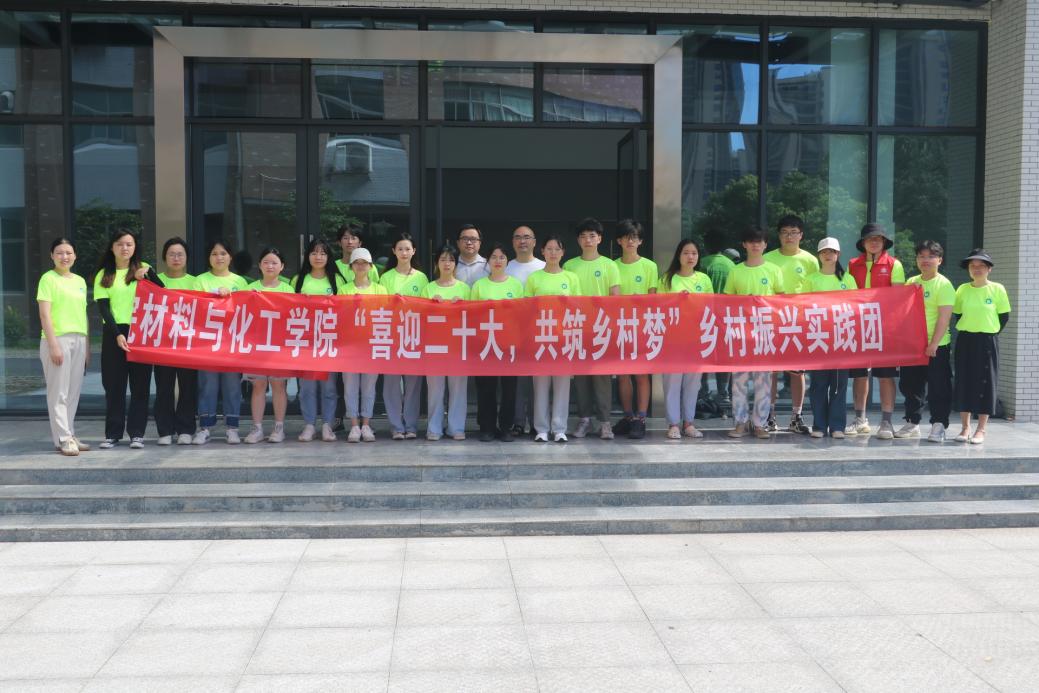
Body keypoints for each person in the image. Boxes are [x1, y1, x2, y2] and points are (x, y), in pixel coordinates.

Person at [94, 228, 157, 449]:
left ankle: (137, 433)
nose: (125, 248)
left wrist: (149, 275)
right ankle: (113, 433)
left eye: (129, 244)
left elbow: (162, 293)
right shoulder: (104, 274)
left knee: (140, 386)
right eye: (120, 244)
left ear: (135, 247)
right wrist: (118, 334)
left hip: (141, 332)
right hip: (114, 333)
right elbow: (104, 308)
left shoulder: (143, 268)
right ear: (112, 247)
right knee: (114, 386)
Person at [847, 223, 906, 439]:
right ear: (863, 243)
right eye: (870, 239)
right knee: (859, 375)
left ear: (884, 242)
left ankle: (886, 422)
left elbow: (897, 297)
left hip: (885, 327)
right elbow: (847, 294)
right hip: (859, 326)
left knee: (885, 375)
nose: (874, 242)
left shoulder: (894, 264)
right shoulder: (852, 264)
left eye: (878, 239)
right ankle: (860, 419)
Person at [724, 226, 784, 439]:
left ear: (765, 245)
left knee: (763, 381)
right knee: (739, 380)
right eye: (751, 241)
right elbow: (727, 301)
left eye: (759, 241)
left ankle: (759, 423)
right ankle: (740, 422)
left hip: (765, 331)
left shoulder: (774, 270)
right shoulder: (735, 270)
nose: (755, 245)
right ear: (744, 245)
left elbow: (781, 301)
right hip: (741, 331)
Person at [564, 217, 620, 440]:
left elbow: (615, 298)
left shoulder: (609, 265)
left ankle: (605, 422)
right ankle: (584, 420)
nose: (588, 239)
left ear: (600, 239)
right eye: (583, 236)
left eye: (592, 235)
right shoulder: (569, 265)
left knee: (602, 377)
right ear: (578, 240)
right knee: (580, 377)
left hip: (601, 329)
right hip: (577, 328)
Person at [894, 240, 955, 443]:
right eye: (921, 256)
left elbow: (944, 318)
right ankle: (912, 422)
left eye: (930, 256)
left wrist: (933, 344)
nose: (925, 260)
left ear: (940, 260)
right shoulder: (911, 282)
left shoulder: (944, 284)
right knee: (910, 385)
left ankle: (939, 425)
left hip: (936, 346)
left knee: (939, 387)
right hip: (912, 345)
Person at [763, 215, 818, 435]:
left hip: (798, 321)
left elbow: (816, 290)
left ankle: (796, 416)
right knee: (771, 371)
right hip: (772, 320)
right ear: (779, 235)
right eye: (785, 232)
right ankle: (769, 415)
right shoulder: (767, 258)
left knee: (797, 371)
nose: (789, 236)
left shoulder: (810, 260)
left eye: (794, 232)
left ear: (801, 235)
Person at [193, 238, 249, 445]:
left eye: (223, 253)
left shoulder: (240, 282)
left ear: (230, 257)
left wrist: (230, 296)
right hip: (207, 343)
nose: (219, 257)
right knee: (207, 385)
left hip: (231, 343)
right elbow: (196, 307)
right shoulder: (200, 280)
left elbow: (246, 310)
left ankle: (232, 428)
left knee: (232, 385)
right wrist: (216, 296)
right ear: (208, 258)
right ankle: (205, 427)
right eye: (214, 254)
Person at [952, 249, 1011, 445]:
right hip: (965, 340)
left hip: (987, 341)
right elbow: (958, 315)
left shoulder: (997, 289)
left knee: (986, 383)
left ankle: (981, 429)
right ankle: (965, 427)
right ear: (969, 269)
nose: (976, 269)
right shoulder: (962, 289)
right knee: (964, 381)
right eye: (973, 266)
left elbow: (1003, 317)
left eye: (981, 266)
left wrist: (988, 330)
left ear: (989, 269)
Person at [37, 237, 90, 456]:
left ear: (75, 256)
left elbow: (83, 314)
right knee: (58, 392)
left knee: (72, 391)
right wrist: (53, 345)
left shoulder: (80, 281)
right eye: (59, 252)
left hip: (79, 339)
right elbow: (44, 314)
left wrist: (87, 347)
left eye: (68, 252)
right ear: (52, 255)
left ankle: (69, 433)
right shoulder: (48, 279)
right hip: (57, 339)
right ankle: (63, 438)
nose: (64, 256)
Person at [526, 236, 581, 442]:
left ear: (563, 252)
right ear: (542, 251)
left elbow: (579, 306)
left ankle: (559, 428)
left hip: (563, 337)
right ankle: (541, 428)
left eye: (557, 249)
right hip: (540, 337)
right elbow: (526, 307)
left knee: (562, 385)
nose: (553, 253)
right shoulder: (534, 278)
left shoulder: (571, 278)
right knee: (540, 385)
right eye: (549, 249)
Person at [659, 239, 714, 440]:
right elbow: (659, 307)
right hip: (672, 338)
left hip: (696, 338)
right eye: (686, 253)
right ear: (678, 255)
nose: (690, 257)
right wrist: (676, 300)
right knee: (672, 383)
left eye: (694, 253)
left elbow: (711, 306)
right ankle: (673, 423)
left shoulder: (704, 279)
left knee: (693, 383)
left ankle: (689, 422)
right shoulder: (667, 279)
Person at [471, 243, 524, 442]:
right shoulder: (479, 285)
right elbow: (472, 314)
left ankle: (506, 427)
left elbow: (522, 315)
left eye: (502, 257)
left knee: (509, 389)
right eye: (494, 257)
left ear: (507, 261)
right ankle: (487, 427)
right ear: (488, 261)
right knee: (486, 388)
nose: (498, 261)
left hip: (509, 345)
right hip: (485, 344)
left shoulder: (516, 285)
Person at [610, 219, 658, 439]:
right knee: (622, 375)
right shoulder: (612, 266)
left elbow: (652, 297)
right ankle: (628, 417)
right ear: (619, 241)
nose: (631, 241)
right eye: (626, 237)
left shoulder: (649, 266)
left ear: (640, 241)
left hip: (642, 326)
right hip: (619, 325)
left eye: (635, 237)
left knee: (641, 374)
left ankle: (641, 419)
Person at [806, 238, 857, 439]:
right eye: (824, 252)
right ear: (819, 255)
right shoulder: (811, 279)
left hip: (841, 336)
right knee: (818, 384)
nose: (828, 255)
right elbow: (803, 307)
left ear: (838, 255)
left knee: (838, 384)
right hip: (818, 335)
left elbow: (856, 306)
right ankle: (819, 425)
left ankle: (837, 426)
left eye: (832, 252)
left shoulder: (848, 279)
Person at [379, 232, 429, 439]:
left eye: (407, 249)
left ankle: (411, 425)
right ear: (394, 251)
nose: (404, 252)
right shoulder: (386, 277)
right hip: (391, 335)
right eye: (400, 249)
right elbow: (380, 305)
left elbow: (426, 307)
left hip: (414, 335)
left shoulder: (421, 277)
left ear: (414, 251)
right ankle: (396, 426)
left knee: (413, 384)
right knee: (391, 384)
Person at [243, 247, 294, 444]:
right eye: (266, 262)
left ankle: (279, 428)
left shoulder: (288, 289)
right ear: (259, 265)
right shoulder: (250, 288)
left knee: (278, 385)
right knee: (258, 385)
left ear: (282, 267)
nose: (270, 266)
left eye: (274, 263)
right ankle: (257, 428)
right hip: (256, 345)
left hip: (279, 345)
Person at [294, 238, 342, 442]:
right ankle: (309, 424)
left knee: (329, 386)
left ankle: (327, 425)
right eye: (314, 253)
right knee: (307, 387)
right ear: (308, 256)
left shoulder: (337, 280)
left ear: (329, 257)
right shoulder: (298, 279)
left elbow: (344, 310)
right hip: (305, 341)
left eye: (323, 253)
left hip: (329, 341)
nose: (318, 257)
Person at [423, 244, 471, 441]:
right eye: (443, 259)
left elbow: (474, 317)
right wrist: (430, 306)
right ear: (437, 263)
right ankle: (434, 428)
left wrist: (463, 305)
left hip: (458, 346)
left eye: (451, 260)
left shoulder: (464, 288)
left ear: (456, 264)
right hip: (434, 346)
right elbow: (418, 316)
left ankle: (456, 427)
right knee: (435, 389)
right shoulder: (428, 288)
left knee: (458, 388)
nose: (447, 263)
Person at [339, 247, 387, 443]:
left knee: (369, 386)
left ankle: (366, 423)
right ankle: (353, 424)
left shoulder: (380, 290)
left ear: (370, 266)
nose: (360, 266)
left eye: (364, 263)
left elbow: (385, 315)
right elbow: (340, 315)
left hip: (372, 344)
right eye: (357, 263)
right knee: (350, 386)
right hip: (350, 345)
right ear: (351, 266)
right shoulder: (344, 289)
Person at [153, 237, 197, 446]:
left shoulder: (195, 282)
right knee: (164, 386)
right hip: (162, 343)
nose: (176, 258)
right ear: (165, 257)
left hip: (188, 343)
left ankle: (186, 429)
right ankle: (165, 430)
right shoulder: (153, 281)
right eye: (172, 254)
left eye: (180, 254)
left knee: (188, 386)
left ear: (187, 258)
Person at [506, 224, 546, 437]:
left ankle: (537, 422)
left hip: (541, 331)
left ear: (534, 242)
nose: (522, 241)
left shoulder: (544, 266)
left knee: (539, 380)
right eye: (518, 237)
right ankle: (518, 422)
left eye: (527, 237)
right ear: (513, 242)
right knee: (518, 380)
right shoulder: (506, 266)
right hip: (513, 332)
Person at [698, 227, 736, 415]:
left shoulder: (703, 264)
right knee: (724, 356)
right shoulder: (731, 266)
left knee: (704, 355)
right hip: (726, 317)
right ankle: (724, 394)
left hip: (705, 317)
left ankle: (704, 393)